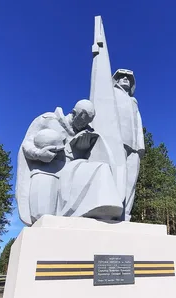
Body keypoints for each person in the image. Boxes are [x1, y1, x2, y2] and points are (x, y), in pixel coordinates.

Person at [16, 100, 123, 225]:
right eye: (82, 121)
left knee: (101, 168)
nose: (84, 125)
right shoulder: (48, 120)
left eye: (88, 122)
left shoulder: (87, 131)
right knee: (42, 217)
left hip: (72, 171)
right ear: (73, 113)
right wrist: (39, 154)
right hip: (47, 171)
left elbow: (93, 155)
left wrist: (82, 150)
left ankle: (103, 209)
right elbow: (27, 144)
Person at [112, 69, 145, 220]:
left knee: (131, 180)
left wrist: (140, 146)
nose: (125, 78)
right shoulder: (110, 93)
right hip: (117, 140)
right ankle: (111, 211)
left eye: (128, 78)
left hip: (134, 145)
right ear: (116, 80)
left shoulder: (133, 101)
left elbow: (138, 123)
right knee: (116, 176)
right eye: (121, 77)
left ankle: (125, 214)